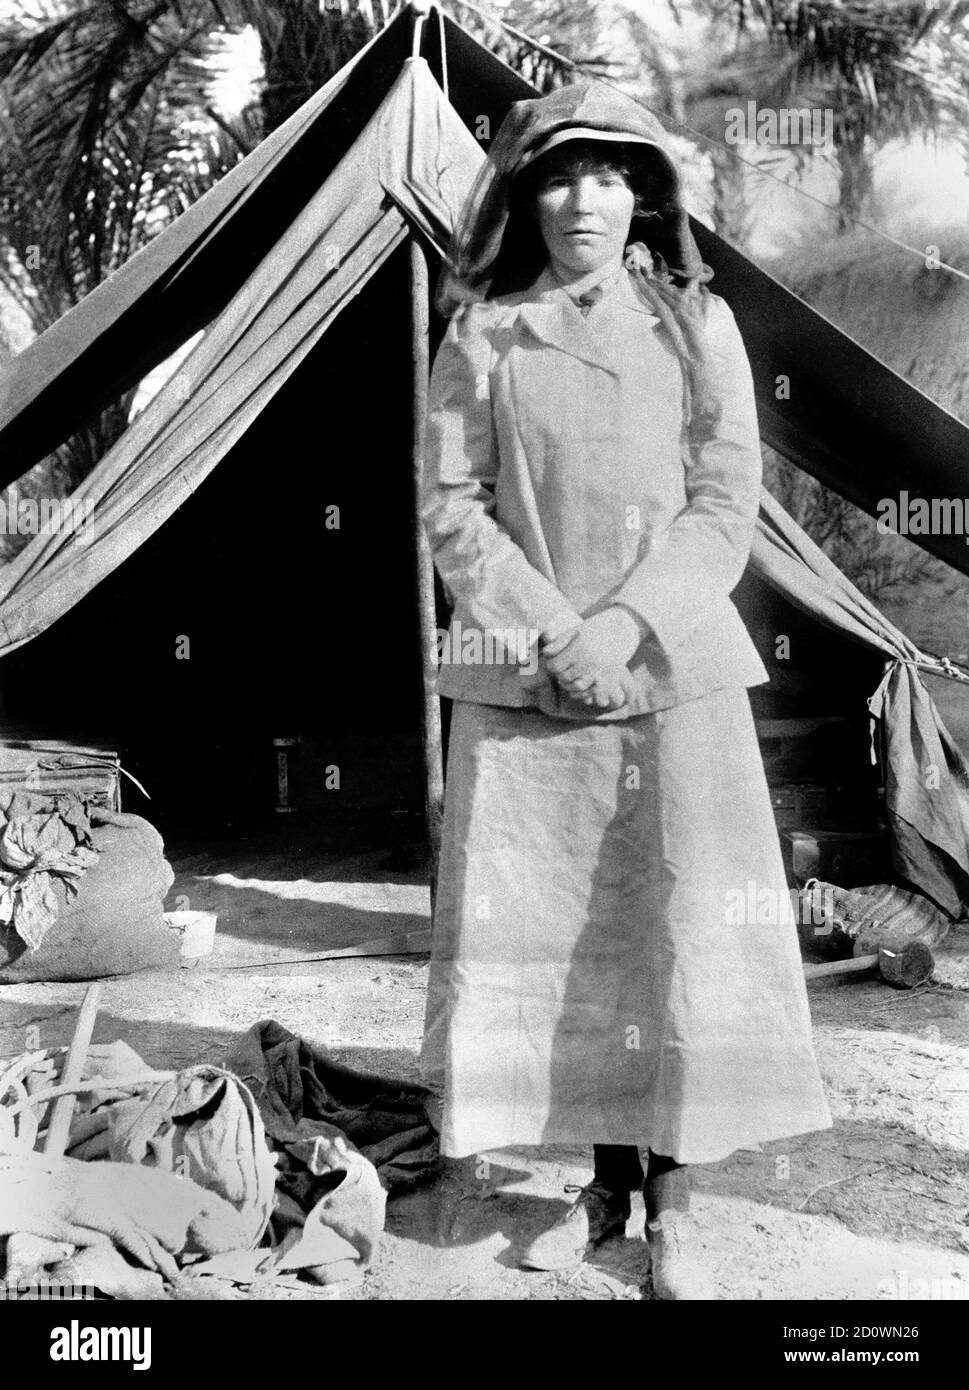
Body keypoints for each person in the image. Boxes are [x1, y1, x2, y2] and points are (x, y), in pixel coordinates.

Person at [418, 80, 832, 1299]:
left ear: (643, 190)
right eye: (557, 175)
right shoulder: (482, 333)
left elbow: (725, 499)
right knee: (567, 928)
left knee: (679, 925)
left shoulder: (695, 322)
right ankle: (603, 1169)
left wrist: (624, 623)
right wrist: (555, 631)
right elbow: (453, 507)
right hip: (529, 677)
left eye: (608, 174)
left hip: (673, 666)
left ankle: (674, 1198)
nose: (583, 199)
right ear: (525, 195)